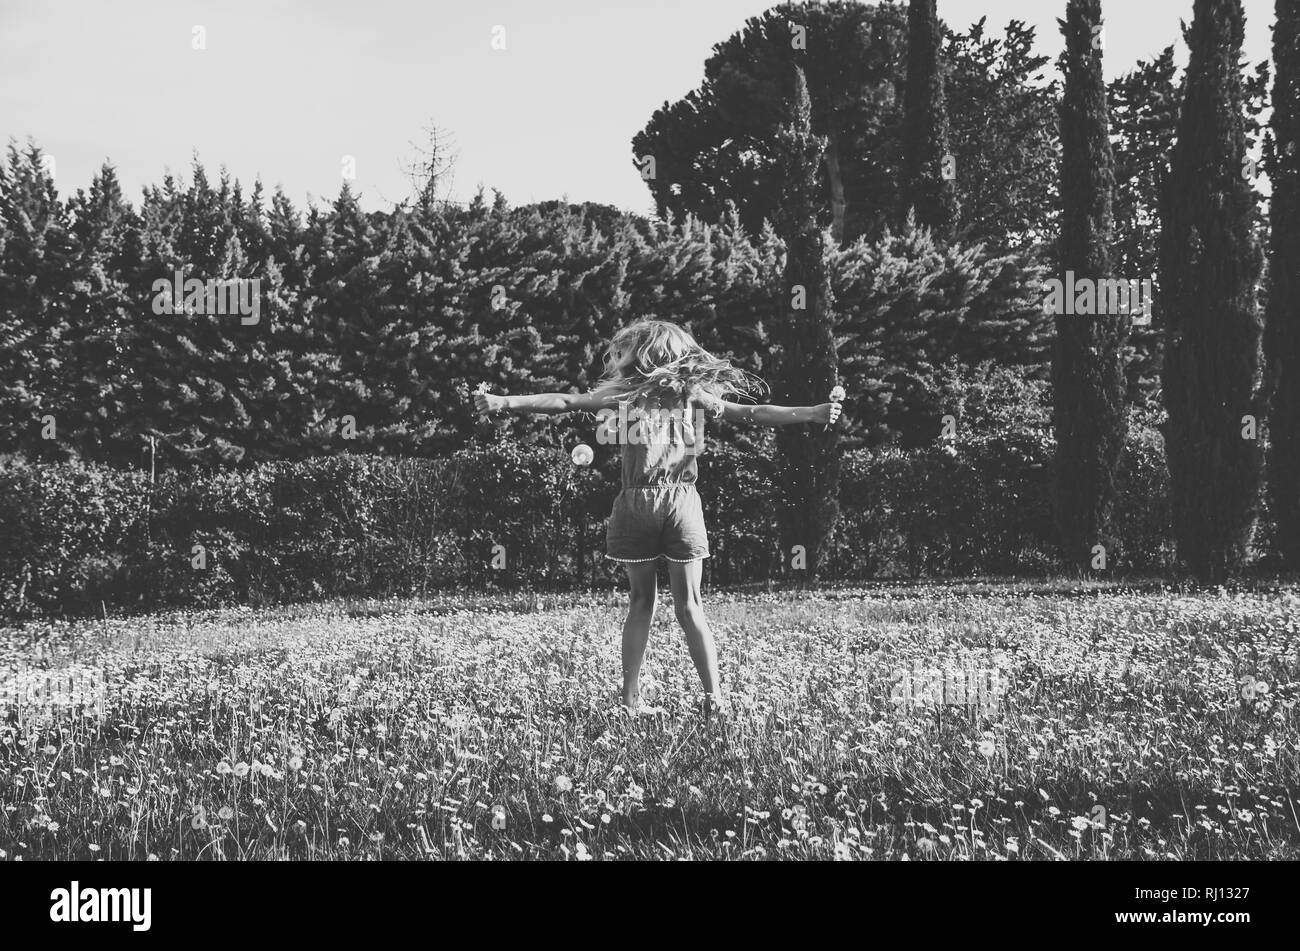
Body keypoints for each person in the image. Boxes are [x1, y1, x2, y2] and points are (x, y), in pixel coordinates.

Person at [474, 319, 842, 715]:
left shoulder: (625, 392)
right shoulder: (691, 393)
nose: (614, 354)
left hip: (638, 504)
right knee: (691, 605)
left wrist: (504, 402)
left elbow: (565, 401)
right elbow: (751, 413)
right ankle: (713, 699)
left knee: (640, 602)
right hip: (682, 502)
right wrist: (812, 412)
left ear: (646, 352)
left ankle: (631, 701)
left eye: (623, 348)